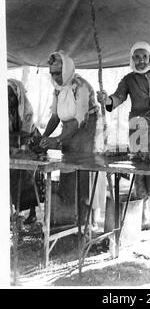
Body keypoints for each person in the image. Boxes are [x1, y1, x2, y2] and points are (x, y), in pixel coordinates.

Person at [97, 41, 150, 230]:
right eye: (137, 57)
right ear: (132, 59)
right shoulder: (128, 79)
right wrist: (106, 99)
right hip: (138, 131)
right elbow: (117, 98)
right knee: (139, 172)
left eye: (144, 57)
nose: (141, 61)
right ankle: (143, 215)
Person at [40, 50, 106, 228]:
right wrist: (45, 137)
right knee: (68, 172)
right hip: (69, 133)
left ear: (67, 69)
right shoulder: (57, 89)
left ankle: (87, 223)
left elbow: (79, 120)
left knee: (83, 173)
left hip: (87, 132)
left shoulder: (81, 86)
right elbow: (55, 117)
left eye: (58, 72)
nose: (55, 76)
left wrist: (57, 140)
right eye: (52, 73)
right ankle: (72, 219)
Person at [8, 78, 44, 225]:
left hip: (30, 143)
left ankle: (33, 213)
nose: (9, 99)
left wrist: (16, 144)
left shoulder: (26, 108)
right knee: (12, 178)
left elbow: (25, 133)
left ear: (18, 96)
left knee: (29, 178)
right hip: (14, 146)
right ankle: (15, 212)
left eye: (11, 96)